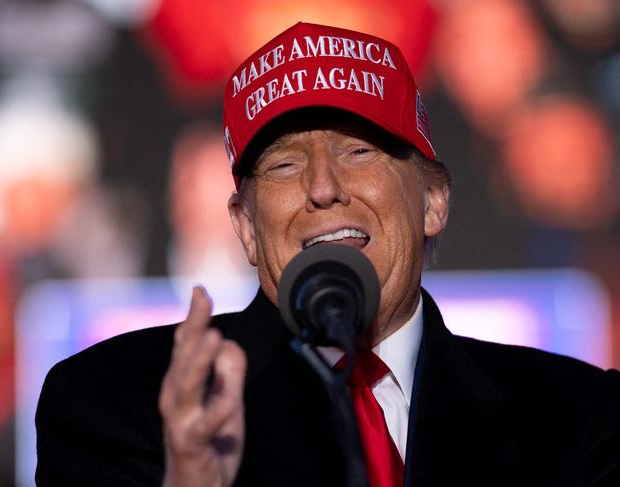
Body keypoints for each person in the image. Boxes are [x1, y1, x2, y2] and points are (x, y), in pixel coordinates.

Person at [35, 22, 620, 487]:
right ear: (245, 227)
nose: (322, 187)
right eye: (285, 164)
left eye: (360, 152)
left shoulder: (578, 418)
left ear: (433, 203)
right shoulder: (118, 404)